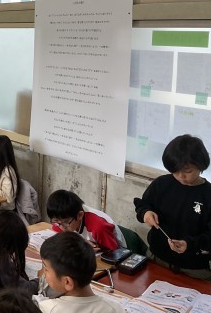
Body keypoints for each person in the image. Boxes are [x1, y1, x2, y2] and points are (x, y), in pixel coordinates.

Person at [134, 134, 211, 280]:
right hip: (156, 258)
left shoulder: (208, 195)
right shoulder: (162, 184)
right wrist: (146, 213)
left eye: (188, 171)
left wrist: (189, 244)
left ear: (201, 165)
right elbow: (142, 204)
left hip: (194, 269)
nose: (181, 176)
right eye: (175, 171)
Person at [38, 232, 124, 313]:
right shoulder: (115, 308)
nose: (43, 272)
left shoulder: (48, 308)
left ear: (67, 282)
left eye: (46, 269)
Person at [46, 189, 125, 252]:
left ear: (80, 215)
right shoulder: (63, 219)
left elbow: (114, 254)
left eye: (66, 223)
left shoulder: (98, 227)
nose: (62, 227)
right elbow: (60, 234)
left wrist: (86, 249)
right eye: (56, 222)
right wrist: (80, 242)